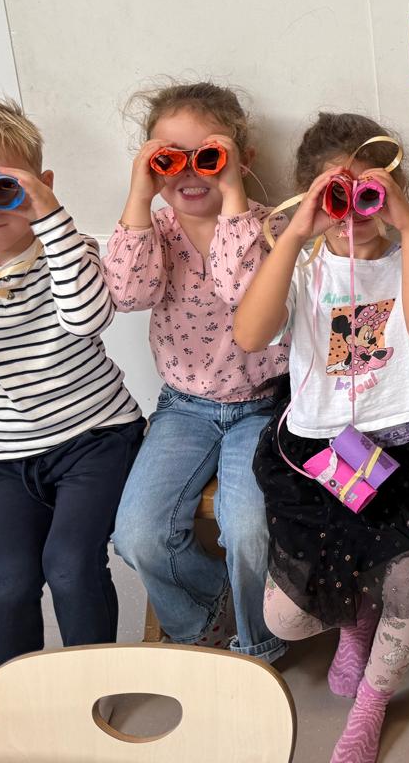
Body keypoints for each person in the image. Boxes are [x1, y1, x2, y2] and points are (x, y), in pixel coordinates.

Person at [236, 114, 409, 763]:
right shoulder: (302, 265)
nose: (352, 213)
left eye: (367, 195)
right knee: (286, 617)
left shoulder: (407, 258)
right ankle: (354, 621)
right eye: (337, 197)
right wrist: (297, 233)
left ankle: (373, 700)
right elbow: (251, 335)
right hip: (320, 450)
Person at [0, 98, 142, 669]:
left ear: (41, 186)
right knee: (3, 580)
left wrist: (51, 218)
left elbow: (87, 319)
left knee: (71, 566)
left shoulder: (69, 250)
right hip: (1, 453)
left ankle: (90, 682)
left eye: (3, 188)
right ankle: (13, 689)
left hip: (95, 437)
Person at [106, 82, 288, 662]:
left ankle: (257, 645)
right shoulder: (154, 232)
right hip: (183, 406)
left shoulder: (273, 228)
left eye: (207, 157)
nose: (189, 172)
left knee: (250, 528)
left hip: (264, 403)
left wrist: (233, 193)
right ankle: (206, 617)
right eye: (168, 159)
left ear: (241, 159)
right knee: (136, 535)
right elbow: (127, 294)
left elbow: (243, 290)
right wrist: (140, 196)